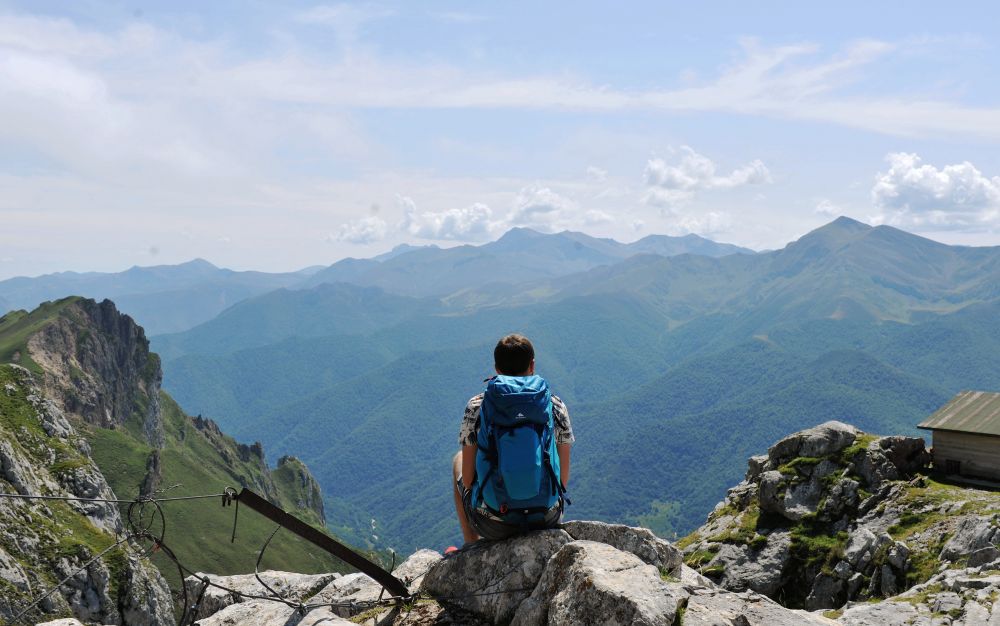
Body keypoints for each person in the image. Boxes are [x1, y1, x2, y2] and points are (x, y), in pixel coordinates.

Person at [452, 333, 574, 544]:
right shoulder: (554, 404)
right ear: (532, 365)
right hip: (545, 517)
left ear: (497, 369)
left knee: (458, 461)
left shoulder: (477, 406)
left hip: (495, 523)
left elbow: (470, 480)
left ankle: (471, 542)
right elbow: (562, 480)